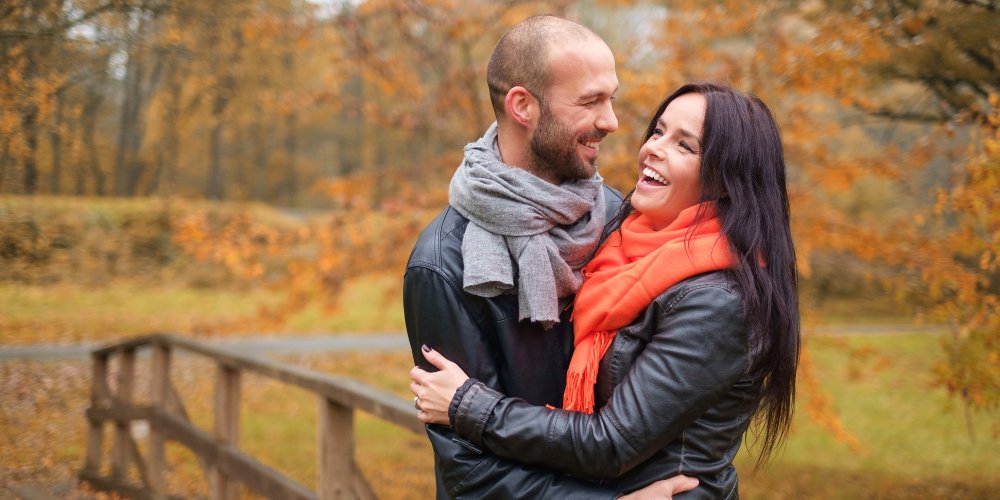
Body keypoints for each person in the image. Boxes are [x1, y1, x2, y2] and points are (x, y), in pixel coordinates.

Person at [410, 82, 801, 499]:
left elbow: (611, 441)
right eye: (658, 131)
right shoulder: (619, 240)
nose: (653, 148)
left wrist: (470, 406)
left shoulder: (720, 300)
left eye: (685, 146)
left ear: (727, 181)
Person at [404, 14, 698, 500]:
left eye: (612, 98)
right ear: (523, 105)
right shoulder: (443, 264)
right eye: (590, 102)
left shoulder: (614, 215)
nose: (612, 121)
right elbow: (471, 474)